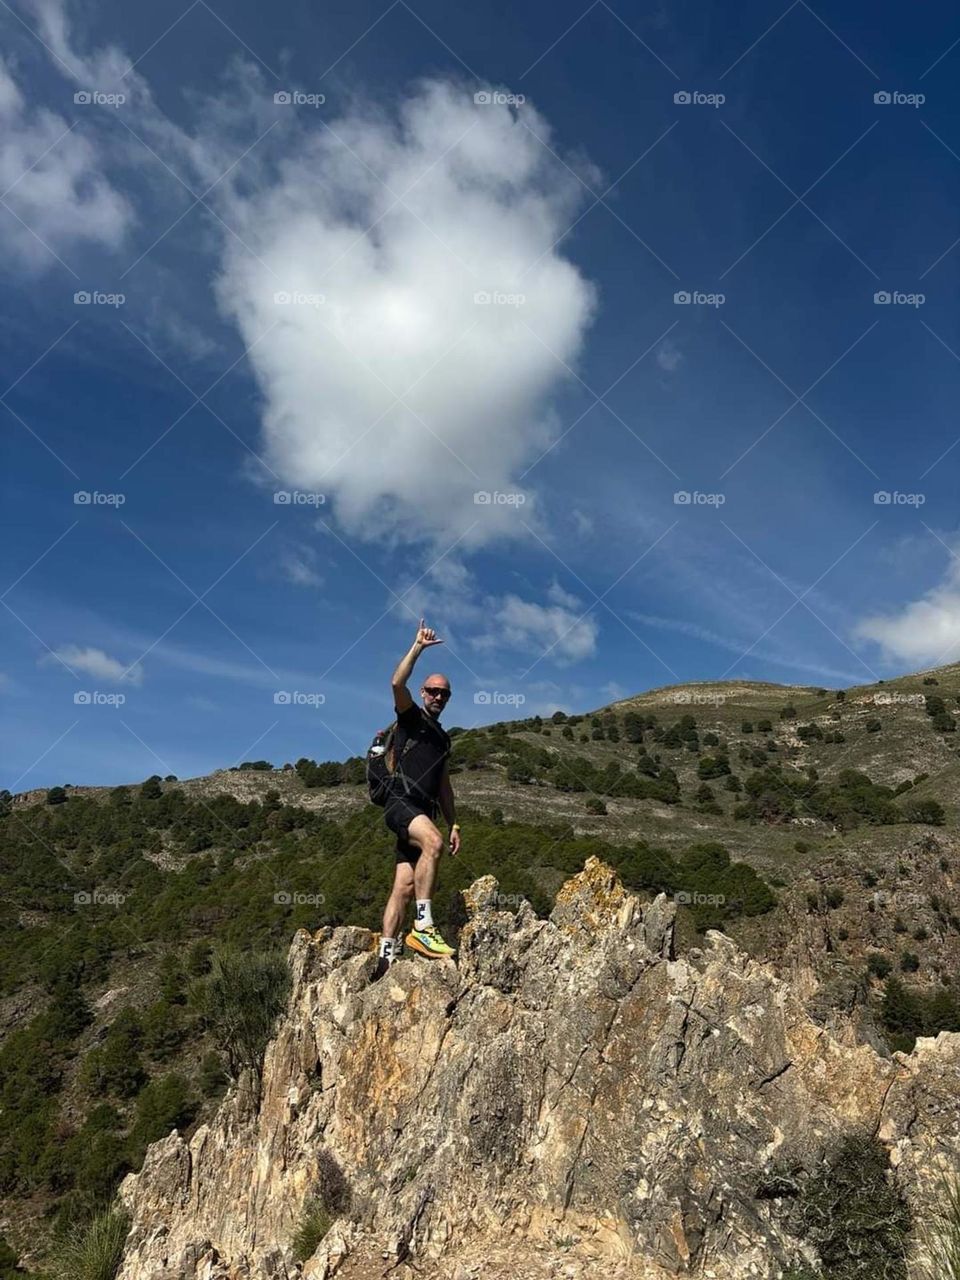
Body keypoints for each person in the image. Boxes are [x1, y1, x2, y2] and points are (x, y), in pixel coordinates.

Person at [373, 619, 461, 980]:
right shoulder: (411, 718)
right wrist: (418, 648)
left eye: (444, 694)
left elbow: (444, 787)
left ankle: (384, 959)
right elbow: (397, 683)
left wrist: (454, 822)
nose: (438, 697)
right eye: (433, 691)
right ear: (423, 693)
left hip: (423, 810)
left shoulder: (443, 739)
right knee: (433, 843)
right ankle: (424, 927)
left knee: (403, 887)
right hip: (401, 802)